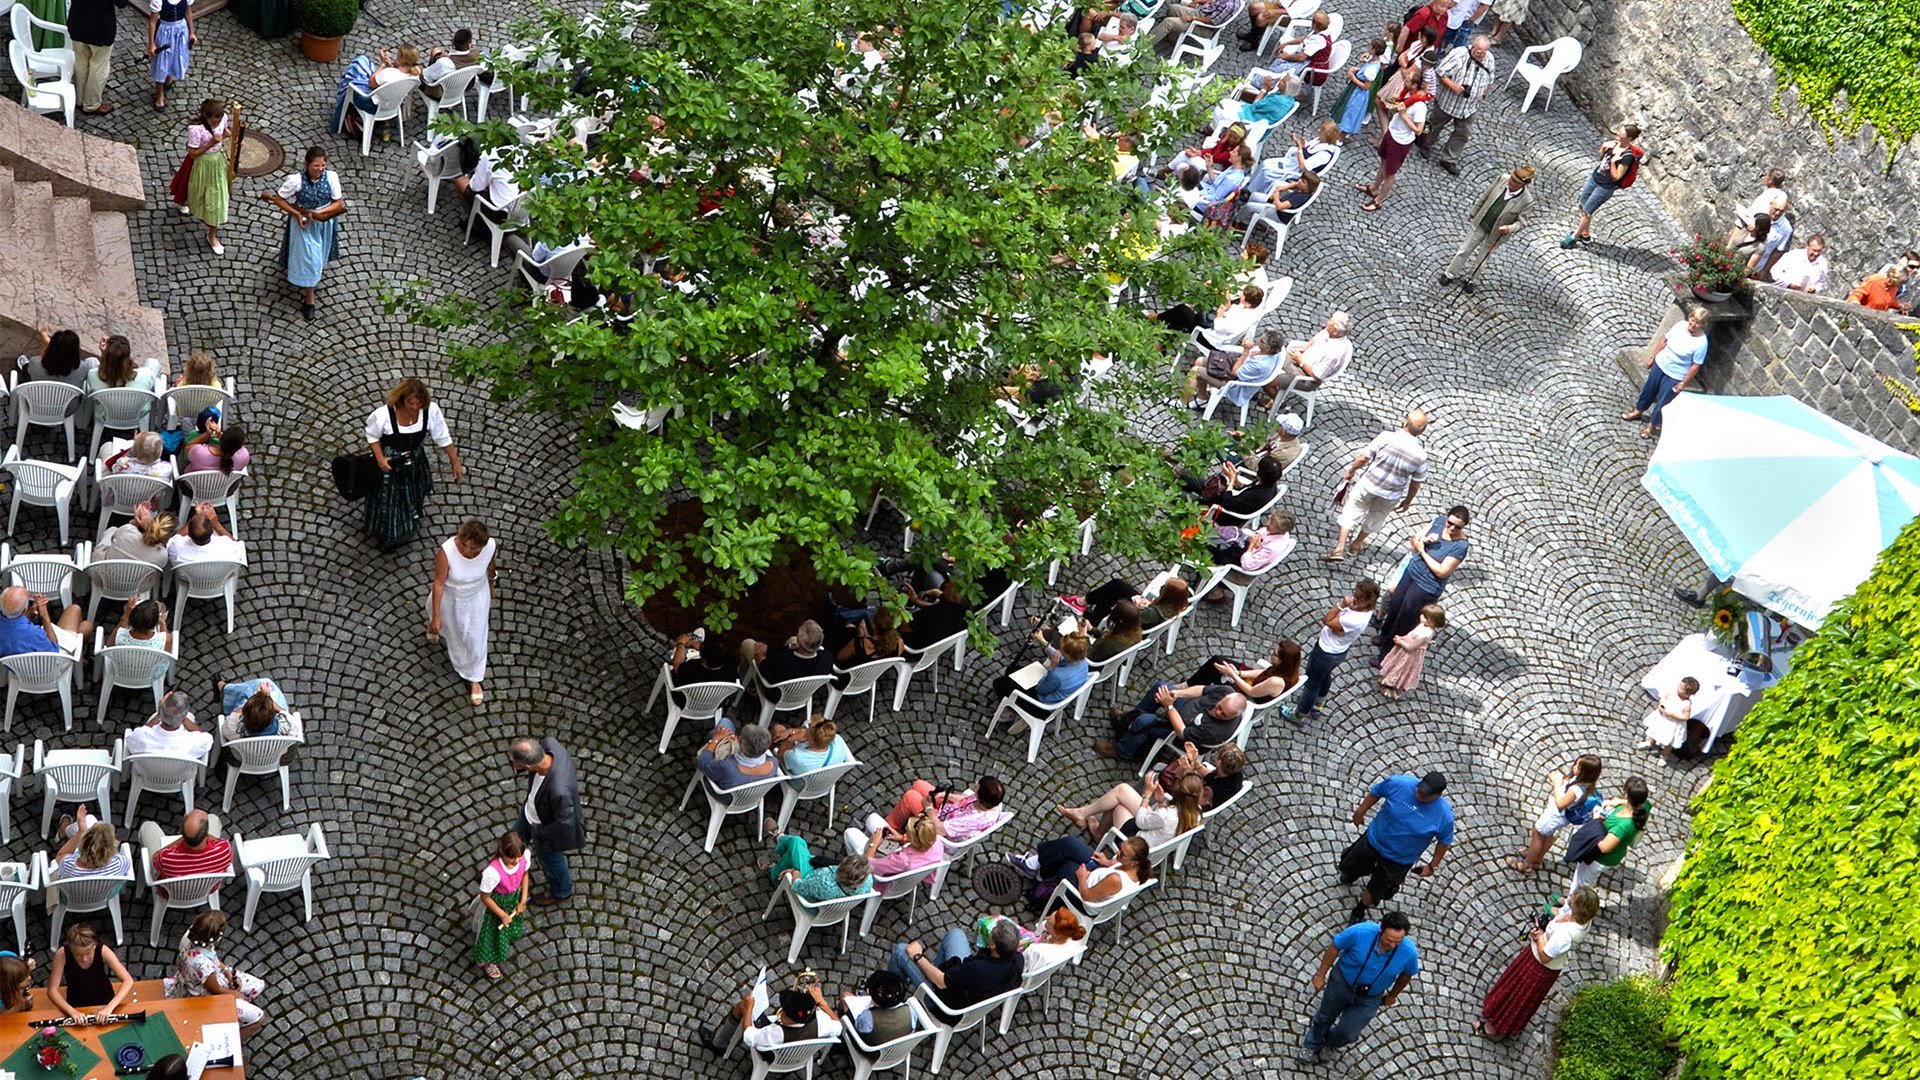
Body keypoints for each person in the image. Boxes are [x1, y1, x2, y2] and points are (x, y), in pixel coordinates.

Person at [1475, 887, 1600, 1038]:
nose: (1570, 895)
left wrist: (1539, 936)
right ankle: (1499, 1016)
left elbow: (1545, 956)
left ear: (1577, 907)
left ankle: (1494, 1029)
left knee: (1517, 995)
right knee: (1515, 990)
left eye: (1573, 896)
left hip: (1539, 968)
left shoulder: (1565, 935)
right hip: (1536, 961)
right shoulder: (1582, 919)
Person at [1299, 912, 1421, 1064]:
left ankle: (1330, 1043)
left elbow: (1407, 974)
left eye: (1398, 941)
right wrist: (1320, 974)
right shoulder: (1359, 932)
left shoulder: (1409, 952)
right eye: (1389, 940)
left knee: (1349, 1033)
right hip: (1341, 984)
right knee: (1325, 1017)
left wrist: (1393, 995)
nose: (1392, 945)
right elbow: (1335, 946)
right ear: (1380, 930)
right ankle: (1311, 1044)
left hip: (1370, 997)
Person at [1340, 771, 1455, 924]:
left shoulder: (1444, 816)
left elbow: (1444, 842)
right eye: (1419, 789)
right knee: (1350, 865)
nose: (1419, 794)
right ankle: (1354, 873)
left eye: (1425, 794)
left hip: (1398, 859)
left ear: (1437, 795)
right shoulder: (1399, 783)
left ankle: (1360, 908)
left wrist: (1432, 866)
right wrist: (1361, 811)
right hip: (1373, 840)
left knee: (1377, 889)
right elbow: (1377, 792)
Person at [365, 378, 466, 550]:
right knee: (389, 499)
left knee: (414, 490)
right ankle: (388, 535)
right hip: (392, 461)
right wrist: (381, 458)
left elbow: (442, 437)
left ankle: (409, 520)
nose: (415, 408)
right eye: (411, 403)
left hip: (414, 459)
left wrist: (455, 461)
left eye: (418, 404)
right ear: (402, 400)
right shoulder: (384, 414)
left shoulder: (430, 411)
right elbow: (372, 436)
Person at [1325, 410, 1430, 561]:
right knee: (1376, 518)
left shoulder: (1387, 437)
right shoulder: (1421, 455)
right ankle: (1355, 545)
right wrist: (1408, 501)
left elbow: (1363, 459)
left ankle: (1339, 548)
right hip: (1391, 495)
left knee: (1351, 511)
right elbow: (1415, 484)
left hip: (1368, 485)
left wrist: (1351, 471)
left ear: (1405, 423)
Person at [1374, 507, 1470, 665]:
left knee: (1405, 619)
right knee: (1395, 606)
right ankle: (1384, 637)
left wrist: (1422, 551)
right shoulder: (1439, 522)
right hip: (1411, 573)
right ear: (1446, 518)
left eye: (1457, 527)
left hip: (1425, 586)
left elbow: (1441, 571)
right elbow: (1414, 540)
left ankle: (1386, 658)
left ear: (1464, 526)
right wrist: (1423, 541)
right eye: (1450, 523)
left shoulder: (1460, 546)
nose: (1452, 528)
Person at [262, 148, 346, 321]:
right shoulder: (296, 181)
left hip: (323, 223)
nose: (320, 169)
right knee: (311, 259)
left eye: (323, 165)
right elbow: (278, 199)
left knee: (319, 254)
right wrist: (298, 214)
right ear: (307, 164)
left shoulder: (331, 177)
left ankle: (308, 274)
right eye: (316, 165)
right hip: (304, 225)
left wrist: (319, 213)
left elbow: (338, 203)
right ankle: (310, 300)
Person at [1284, 579, 1380, 725]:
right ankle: (1317, 705)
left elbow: (1327, 620)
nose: (1354, 599)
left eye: (1359, 597)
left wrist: (1341, 606)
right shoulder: (1365, 611)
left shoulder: (1354, 619)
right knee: (1324, 676)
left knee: (1311, 684)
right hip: (1339, 651)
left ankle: (1299, 714)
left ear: (1368, 601)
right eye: (1355, 594)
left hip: (1326, 651)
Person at [507, 736, 585, 906]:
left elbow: (564, 822)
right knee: (514, 839)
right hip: (531, 813)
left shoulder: (559, 791)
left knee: (550, 860)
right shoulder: (549, 744)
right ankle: (504, 871)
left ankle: (562, 890)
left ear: (528, 766)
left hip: (544, 826)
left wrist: (540, 831)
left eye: (514, 762)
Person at [430, 520, 497, 706]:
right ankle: (432, 624)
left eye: (474, 549)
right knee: (449, 627)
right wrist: (436, 616)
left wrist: (492, 584)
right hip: (451, 597)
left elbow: (490, 568)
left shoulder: (490, 547)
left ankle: (474, 677)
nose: (468, 551)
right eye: (465, 546)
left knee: (475, 639)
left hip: (477, 597)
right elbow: (439, 583)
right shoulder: (447, 551)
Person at [165, 912, 264, 1036]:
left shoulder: (192, 935)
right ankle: (234, 1042)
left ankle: (236, 1013)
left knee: (258, 986)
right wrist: (236, 994)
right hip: (204, 997)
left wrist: (228, 972)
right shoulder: (203, 966)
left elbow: (213, 958)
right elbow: (215, 989)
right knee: (259, 1018)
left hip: (201, 978)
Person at [1439, 165, 1535, 289]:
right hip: (1482, 222)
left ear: (1523, 185)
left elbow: (1521, 223)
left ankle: (1470, 280)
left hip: (1496, 234)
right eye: (1512, 178)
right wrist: (1474, 211)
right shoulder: (1502, 179)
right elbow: (1485, 195)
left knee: (1482, 259)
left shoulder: (1527, 201)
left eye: (1515, 182)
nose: (1511, 182)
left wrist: (1509, 228)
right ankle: (1449, 274)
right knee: (1465, 250)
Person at [1099, 681, 1248, 761]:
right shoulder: (1226, 691)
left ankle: (1123, 750)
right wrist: (1178, 693)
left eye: (1223, 714)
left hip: (1179, 734)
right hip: (1184, 708)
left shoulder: (1215, 731)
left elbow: (1182, 733)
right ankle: (1130, 718)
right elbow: (1202, 690)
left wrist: (1169, 705)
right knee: (1161, 687)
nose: (1217, 712)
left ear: (1232, 716)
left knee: (1145, 722)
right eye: (1219, 707)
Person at [1621, 303, 1708, 438]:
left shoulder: (1701, 343)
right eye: (1692, 321)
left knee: (1663, 401)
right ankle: (1638, 410)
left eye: (1698, 324)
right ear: (1689, 318)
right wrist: (1653, 356)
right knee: (1649, 389)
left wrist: (1683, 383)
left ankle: (1651, 426)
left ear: (1703, 325)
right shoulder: (1679, 326)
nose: (1693, 325)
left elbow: (1695, 365)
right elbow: (1664, 341)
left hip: (1676, 374)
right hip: (1661, 364)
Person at [1056, 766, 1202, 845]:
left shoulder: (1166, 815)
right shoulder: (1196, 812)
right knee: (1122, 791)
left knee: (1117, 804)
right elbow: (1162, 821)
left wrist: (1148, 794)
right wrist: (1160, 801)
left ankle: (1097, 831)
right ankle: (1084, 815)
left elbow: (1141, 821)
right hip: (1156, 836)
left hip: (1136, 842)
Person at [698, 979, 843, 1056]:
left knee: (742, 1006)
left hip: (777, 1055)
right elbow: (838, 1025)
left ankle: (718, 1045)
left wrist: (748, 1008)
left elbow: (749, 1037)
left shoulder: (776, 1033)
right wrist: (822, 1002)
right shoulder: (822, 1021)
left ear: (788, 1015)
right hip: (800, 1055)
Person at [1511, 755, 1603, 874]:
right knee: (1548, 835)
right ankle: (1537, 859)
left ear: (1584, 772)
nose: (1574, 767)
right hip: (1561, 817)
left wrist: (1556, 783)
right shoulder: (1585, 784)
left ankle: (1527, 865)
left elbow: (1560, 803)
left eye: (1578, 767)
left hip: (1555, 815)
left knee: (1537, 834)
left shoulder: (1576, 790)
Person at [1417, 36, 1494, 174]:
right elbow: (1440, 72)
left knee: (1463, 133)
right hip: (1448, 101)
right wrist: (1453, 86)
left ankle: (1449, 159)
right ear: (1473, 47)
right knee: (1434, 124)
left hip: (1470, 107)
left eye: (1483, 52)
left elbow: (1490, 78)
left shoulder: (1490, 59)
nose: (1480, 54)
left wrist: (1483, 96)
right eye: (1478, 51)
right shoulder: (1459, 54)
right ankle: (1424, 142)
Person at [1561, 123, 1643, 248]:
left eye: (1621, 133)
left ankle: (1574, 237)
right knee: (1582, 205)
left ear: (1629, 138)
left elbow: (1617, 177)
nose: (1618, 134)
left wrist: (1614, 162)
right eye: (1619, 131)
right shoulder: (1614, 144)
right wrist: (1603, 147)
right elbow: (1601, 158)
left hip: (1605, 187)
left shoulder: (1627, 157)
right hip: (1595, 179)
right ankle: (1585, 235)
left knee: (1587, 212)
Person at [1356, 74, 1429, 212]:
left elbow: (1418, 130)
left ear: (1414, 85)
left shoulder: (1420, 106)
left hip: (1401, 142)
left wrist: (1403, 115)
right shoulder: (1407, 94)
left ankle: (1379, 200)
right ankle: (1373, 188)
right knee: (1383, 162)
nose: (1404, 82)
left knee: (1391, 173)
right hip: (1392, 132)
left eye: (1407, 80)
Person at [1567, 777, 1650, 891]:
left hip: (1600, 858)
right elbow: (1635, 803)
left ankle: (1569, 908)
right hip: (1615, 854)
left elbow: (1605, 847)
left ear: (1626, 794)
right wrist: (1616, 802)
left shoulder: (1622, 826)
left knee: (1581, 883)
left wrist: (1597, 819)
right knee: (1589, 880)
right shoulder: (1644, 807)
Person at [881, 776, 1010, 844]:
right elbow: (966, 799)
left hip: (941, 828)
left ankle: (890, 827)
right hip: (949, 811)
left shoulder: (971, 821)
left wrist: (929, 807)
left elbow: (939, 829)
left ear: (979, 796)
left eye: (977, 787)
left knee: (911, 796)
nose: (975, 785)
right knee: (919, 784)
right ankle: (905, 819)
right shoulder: (993, 802)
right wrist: (942, 795)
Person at [473, 831, 531, 981]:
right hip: (496, 908)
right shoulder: (492, 873)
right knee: (490, 935)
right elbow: (485, 897)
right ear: (502, 853)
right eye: (512, 859)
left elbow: (525, 875)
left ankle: (506, 937)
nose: (517, 862)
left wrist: (523, 900)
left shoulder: (523, 858)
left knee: (508, 927)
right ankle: (488, 961)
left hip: (513, 899)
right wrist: (503, 915)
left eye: (519, 858)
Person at [992, 630, 1091, 716]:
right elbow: (1058, 657)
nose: (1059, 650)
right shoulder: (1083, 663)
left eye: (1062, 649)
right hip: (1056, 692)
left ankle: (1013, 711)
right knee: (1012, 670)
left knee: (999, 683)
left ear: (1068, 655)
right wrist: (1043, 641)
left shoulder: (1057, 675)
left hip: (1041, 705)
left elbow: (1040, 689)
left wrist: (1052, 667)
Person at [47, 923, 134, 1020]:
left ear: (94, 946)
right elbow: (52, 991)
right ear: (71, 949)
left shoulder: (103, 951)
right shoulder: (62, 954)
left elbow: (128, 980)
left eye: (88, 953)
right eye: (78, 955)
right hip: (76, 1004)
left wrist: (109, 1008)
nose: (84, 959)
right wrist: (72, 1011)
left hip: (105, 1000)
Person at [138, 809, 230, 899]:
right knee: (213, 818)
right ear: (206, 834)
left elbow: (155, 858)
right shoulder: (225, 849)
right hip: (206, 890)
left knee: (148, 826)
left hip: (171, 894)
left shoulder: (166, 857)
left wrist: (182, 839)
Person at [68, 0, 136, 116]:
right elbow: (122, 3)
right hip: (100, 28)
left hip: (77, 21)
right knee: (99, 67)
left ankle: (79, 99)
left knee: (81, 62)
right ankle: (91, 104)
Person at [844, 807, 946, 885]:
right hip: (907, 862)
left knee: (850, 833)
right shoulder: (937, 842)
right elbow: (917, 847)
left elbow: (869, 865)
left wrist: (873, 844)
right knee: (873, 818)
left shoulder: (901, 860)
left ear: (914, 839)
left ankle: (853, 868)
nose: (905, 832)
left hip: (887, 878)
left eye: (907, 831)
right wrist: (902, 839)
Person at [181, 99, 229, 254]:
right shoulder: (196, 130)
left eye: (218, 122)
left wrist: (234, 138)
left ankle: (212, 235)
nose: (216, 125)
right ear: (205, 117)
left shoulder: (223, 119)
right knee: (199, 192)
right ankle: (186, 201)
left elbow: (225, 130)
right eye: (213, 123)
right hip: (203, 165)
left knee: (217, 199)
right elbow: (192, 153)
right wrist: (210, 143)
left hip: (218, 163)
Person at [1188, 639, 1300, 703]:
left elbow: (1251, 692)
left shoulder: (1276, 682)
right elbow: (1263, 673)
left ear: (1281, 661)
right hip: (1253, 683)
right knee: (1218, 661)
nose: (1271, 653)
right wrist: (1239, 673)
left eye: (1274, 654)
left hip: (1247, 698)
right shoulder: (1286, 670)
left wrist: (1233, 675)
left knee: (1216, 670)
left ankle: (1189, 687)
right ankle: (1191, 685)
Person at [763, 837, 872, 902]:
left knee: (797, 842)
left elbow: (798, 886)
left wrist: (794, 872)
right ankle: (777, 858)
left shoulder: (823, 880)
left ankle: (779, 841)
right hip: (833, 910)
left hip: (811, 902)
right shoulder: (868, 881)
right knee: (798, 853)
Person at [83, 336, 161, 424]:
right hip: (138, 413)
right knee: (152, 362)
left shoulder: (93, 375)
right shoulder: (145, 374)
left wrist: (104, 354)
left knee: (92, 361)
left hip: (105, 413)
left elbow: (105, 370)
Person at [750, 620, 835, 700]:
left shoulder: (781, 662)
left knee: (748, 644)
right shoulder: (828, 657)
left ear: (799, 644)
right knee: (792, 639)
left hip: (777, 695)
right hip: (804, 693)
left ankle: (751, 687)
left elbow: (762, 666)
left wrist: (760, 654)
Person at [0, 585, 90, 660]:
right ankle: (79, 660)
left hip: (15, 667)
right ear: (24, 610)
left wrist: (29, 614)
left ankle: (80, 658)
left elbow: (12, 623)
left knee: (81, 625)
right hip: (47, 670)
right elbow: (55, 652)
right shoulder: (34, 634)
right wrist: (44, 616)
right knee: (84, 623)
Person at [696, 720, 780, 800]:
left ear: (742, 747)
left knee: (723, 724)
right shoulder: (774, 763)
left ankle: (709, 739)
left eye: (740, 739)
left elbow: (702, 763)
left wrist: (715, 739)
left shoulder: (727, 766)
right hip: (753, 798)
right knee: (724, 725)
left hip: (726, 797)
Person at [124, 690, 212, 760]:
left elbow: (130, 740)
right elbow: (206, 737)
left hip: (146, 776)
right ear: (184, 717)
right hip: (179, 778)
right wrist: (184, 720)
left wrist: (159, 714)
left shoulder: (141, 736)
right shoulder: (195, 740)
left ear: (161, 713)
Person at [1378, 603, 1443, 697]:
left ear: (1432, 621)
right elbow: (1410, 635)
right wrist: (1402, 638)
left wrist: (1400, 642)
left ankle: (1396, 691)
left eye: (1425, 616)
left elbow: (1410, 648)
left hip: (1409, 655)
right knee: (1396, 664)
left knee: (1402, 669)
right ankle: (1387, 679)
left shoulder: (1424, 635)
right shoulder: (1423, 625)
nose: (1421, 616)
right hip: (1404, 648)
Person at [841, 970, 917, 1050]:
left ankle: (842, 1036)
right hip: (897, 1050)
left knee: (845, 997)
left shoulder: (868, 1017)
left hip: (872, 1051)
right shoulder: (910, 1012)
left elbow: (859, 1028)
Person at [108, 596, 175, 684]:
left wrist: (126, 614)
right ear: (155, 624)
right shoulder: (166, 639)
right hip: (151, 674)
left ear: (131, 620)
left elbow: (109, 644)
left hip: (121, 670)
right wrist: (163, 624)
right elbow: (166, 652)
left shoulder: (120, 635)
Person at [1330, 40, 1389, 137]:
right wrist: (1358, 69)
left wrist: (1352, 77)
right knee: (1345, 109)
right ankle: (1337, 130)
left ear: (1374, 50)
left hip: (1358, 93)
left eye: (1371, 47)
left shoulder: (1372, 69)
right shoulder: (1373, 61)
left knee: (1350, 112)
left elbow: (1366, 86)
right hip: (1354, 90)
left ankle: (1342, 136)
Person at [146, 0, 197, 111]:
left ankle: (168, 79)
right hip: (165, 31)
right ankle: (159, 95)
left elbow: (188, 12)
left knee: (175, 56)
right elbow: (152, 22)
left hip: (181, 30)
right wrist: (151, 44)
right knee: (162, 63)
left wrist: (191, 32)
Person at [52, 820, 132, 888]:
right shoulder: (120, 862)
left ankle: (64, 829)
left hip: (73, 898)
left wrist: (81, 832)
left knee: (89, 819)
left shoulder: (68, 864)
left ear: (82, 845)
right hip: (103, 896)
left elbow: (59, 857)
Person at [772, 713, 851, 781]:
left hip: (799, 781)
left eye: (808, 730)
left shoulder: (797, 757)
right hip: (824, 781)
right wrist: (792, 731)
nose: (806, 729)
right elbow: (804, 732)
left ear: (811, 739)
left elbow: (780, 754)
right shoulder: (838, 741)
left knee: (778, 728)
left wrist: (791, 739)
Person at [95, 503, 175, 568]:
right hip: (136, 586)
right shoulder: (163, 556)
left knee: (112, 530)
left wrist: (136, 521)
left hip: (104, 577)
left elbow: (113, 538)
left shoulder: (128, 532)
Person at [1725, 170, 1788, 251]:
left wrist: (1742, 213)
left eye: (1767, 176)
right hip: (1757, 228)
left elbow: (1754, 214)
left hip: (1748, 229)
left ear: (1770, 181)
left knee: (1729, 252)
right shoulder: (1781, 195)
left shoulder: (1769, 196)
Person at [165, 501, 244, 566]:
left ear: (188, 534)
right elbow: (235, 544)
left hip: (189, 578)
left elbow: (176, 537)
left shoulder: (177, 545)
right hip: (218, 577)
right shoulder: (225, 545)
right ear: (213, 532)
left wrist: (196, 515)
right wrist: (215, 523)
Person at [16, 327, 98, 388]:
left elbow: (43, 359)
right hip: (68, 409)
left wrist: (50, 344)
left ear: (51, 348)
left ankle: (24, 365)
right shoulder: (83, 368)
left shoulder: (35, 362)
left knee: (28, 367)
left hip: (36, 404)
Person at [1640, 677, 1700, 759]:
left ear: (1687, 694)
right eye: (1679, 685)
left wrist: (1672, 714)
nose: (1677, 688)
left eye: (1680, 688)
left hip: (1673, 725)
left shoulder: (1686, 704)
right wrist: (1662, 705)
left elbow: (1686, 717)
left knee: (1669, 742)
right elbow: (1664, 698)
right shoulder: (1672, 693)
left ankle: (1665, 755)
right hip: (1662, 718)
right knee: (1655, 730)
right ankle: (1650, 742)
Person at [182, 415, 249, 474]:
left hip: (192, 485)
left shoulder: (200, 452)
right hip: (222, 486)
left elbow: (187, 446)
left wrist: (207, 434)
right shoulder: (244, 457)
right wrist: (220, 435)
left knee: (186, 421)